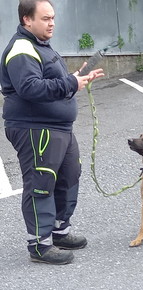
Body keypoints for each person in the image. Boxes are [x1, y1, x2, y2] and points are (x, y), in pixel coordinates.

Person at [0, 0, 104, 264]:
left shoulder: (40, 46)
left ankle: (59, 230)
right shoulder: (22, 48)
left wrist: (78, 77)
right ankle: (40, 245)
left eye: (53, 18)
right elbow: (30, 88)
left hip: (59, 128)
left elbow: (50, 81)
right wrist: (70, 82)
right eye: (45, 18)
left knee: (69, 174)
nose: (52, 23)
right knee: (41, 182)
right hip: (35, 129)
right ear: (27, 19)